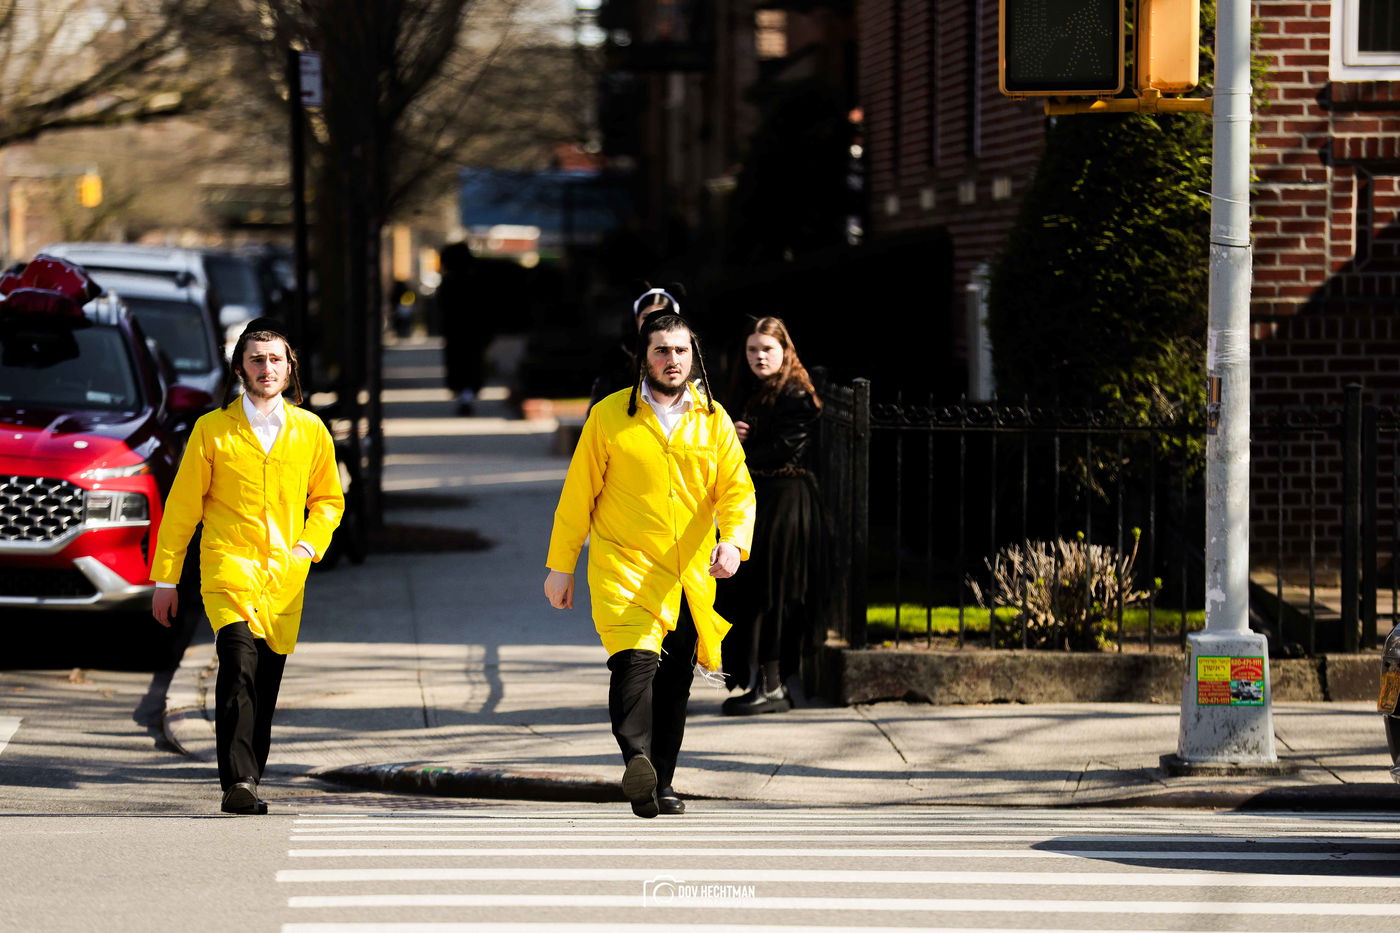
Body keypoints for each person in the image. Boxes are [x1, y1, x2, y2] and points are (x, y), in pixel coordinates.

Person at [545, 312, 755, 818]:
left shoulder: (713, 419)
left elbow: (736, 489)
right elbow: (578, 496)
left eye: (680, 350)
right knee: (634, 667)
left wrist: (734, 543)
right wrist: (561, 565)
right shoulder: (610, 416)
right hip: (625, 566)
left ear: (693, 355)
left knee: (675, 681)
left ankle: (661, 781)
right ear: (644, 356)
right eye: (661, 350)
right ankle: (637, 760)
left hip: (688, 575)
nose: (672, 359)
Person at [151, 318, 344, 815]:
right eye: (256, 359)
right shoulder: (212, 430)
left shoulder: (309, 431)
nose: (266, 367)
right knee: (237, 662)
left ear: (289, 366)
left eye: (275, 359)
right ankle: (237, 781)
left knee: (265, 680)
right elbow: (182, 508)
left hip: (284, 577)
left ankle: (251, 776)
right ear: (240, 367)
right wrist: (166, 578)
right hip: (227, 570)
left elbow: (328, 500)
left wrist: (306, 549)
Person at [716, 316, 824, 715]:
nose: (759, 357)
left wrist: (739, 445)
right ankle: (761, 682)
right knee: (751, 591)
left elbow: (783, 448)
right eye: (752, 350)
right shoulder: (755, 390)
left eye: (767, 349)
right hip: (760, 499)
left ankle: (774, 686)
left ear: (785, 351)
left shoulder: (796, 393)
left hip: (786, 503)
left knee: (773, 593)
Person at [587, 283, 684, 409]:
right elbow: (598, 411)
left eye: (662, 316)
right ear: (636, 319)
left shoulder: (689, 358)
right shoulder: (616, 362)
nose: (653, 323)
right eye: (646, 317)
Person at [437, 241, 493, 414]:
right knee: (472, 364)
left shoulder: (450, 281)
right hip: (474, 332)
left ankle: (464, 394)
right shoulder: (477, 279)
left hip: (457, 332)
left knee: (460, 364)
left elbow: (442, 308)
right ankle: (467, 394)